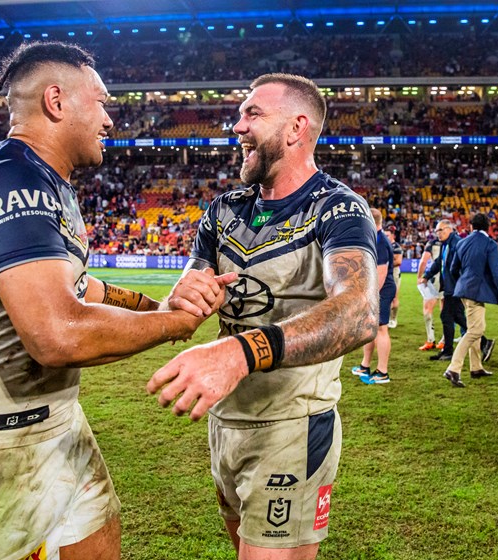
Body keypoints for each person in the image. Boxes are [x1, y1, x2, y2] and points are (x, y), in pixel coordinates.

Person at [0, 41, 236, 560]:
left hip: (58, 423)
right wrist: (174, 324)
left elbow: (81, 287)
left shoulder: (50, 183)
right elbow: (57, 335)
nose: (109, 119)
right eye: (102, 103)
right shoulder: (12, 175)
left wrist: (157, 305)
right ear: (56, 101)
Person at [147, 73, 379, 560]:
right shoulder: (223, 210)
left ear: (296, 128)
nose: (237, 127)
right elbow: (184, 299)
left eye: (252, 114)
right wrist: (184, 297)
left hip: (292, 426)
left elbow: (359, 312)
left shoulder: (338, 208)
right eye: (239, 115)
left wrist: (242, 352)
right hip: (225, 420)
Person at [442, 213, 498, 388]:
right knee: (476, 331)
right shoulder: (490, 244)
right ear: (488, 228)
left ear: (471, 227)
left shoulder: (462, 242)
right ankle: (453, 368)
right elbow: (496, 271)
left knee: (473, 328)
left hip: (463, 291)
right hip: (475, 293)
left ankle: (476, 367)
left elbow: (453, 268)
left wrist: (464, 282)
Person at [352, 209, 396, 384]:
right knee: (370, 328)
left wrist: (371, 295)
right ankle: (365, 365)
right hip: (376, 289)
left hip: (381, 290)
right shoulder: (374, 238)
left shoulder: (380, 241)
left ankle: (382, 372)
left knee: (381, 329)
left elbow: (381, 272)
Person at [420, 219, 466, 362]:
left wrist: (458, 283)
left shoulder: (457, 243)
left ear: (449, 229)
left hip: (455, 288)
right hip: (450, 287)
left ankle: (482, 342)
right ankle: (448, 350)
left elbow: (460, 266)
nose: (438, 233)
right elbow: (439, 262)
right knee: (455, 317)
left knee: (448, 316)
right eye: (436, 231)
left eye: (440, 230)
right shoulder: (445, 244)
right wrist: (427, 276)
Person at [416, 233, 444, 351]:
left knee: (427, 308)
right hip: (447, 278)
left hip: (434, 278)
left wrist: (419, 277)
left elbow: (423, 261)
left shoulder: (432, 243)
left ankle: (430, 340)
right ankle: (444, 341)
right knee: (446, 310)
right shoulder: (451, 243)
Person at [386, 228, 403, 329]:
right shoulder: (383, 244)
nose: (385, 237)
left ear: (393, 236)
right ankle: (386, 319)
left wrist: (385, 263)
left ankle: (393, 319)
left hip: (394, 273)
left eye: (387, 235)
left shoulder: (396, 247)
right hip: (384, 272)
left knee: (394, 297)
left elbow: (398, 261)